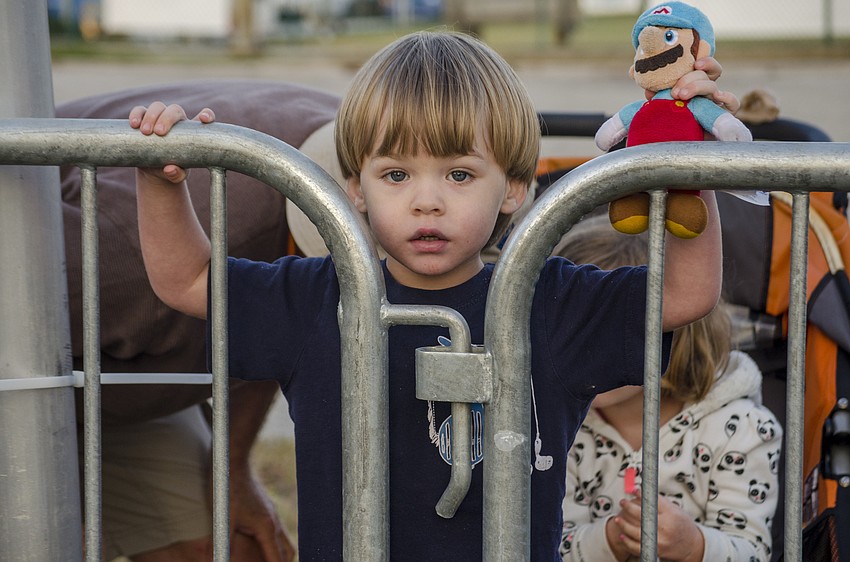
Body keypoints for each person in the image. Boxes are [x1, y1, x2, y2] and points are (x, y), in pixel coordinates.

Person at [128, 31, 725, 561]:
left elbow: (686, 293)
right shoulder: (316, 301)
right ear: (354, 188)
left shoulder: (550, 304)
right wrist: (159, 180)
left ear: (515, 186)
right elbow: (187, 280)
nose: (426, 201)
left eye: (459, 175)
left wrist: (684, 165)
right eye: (396, 175)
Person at [59, 79, 341, 561]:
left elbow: (276, 323)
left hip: (110, 379)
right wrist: (51, 504)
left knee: (229, 546)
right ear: (355, 192)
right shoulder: (122, 253)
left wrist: (229, 467)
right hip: (22, 377)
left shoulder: (386, 134)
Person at [554, 214, 782, 562]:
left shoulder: (742, 430)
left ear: (675, 334)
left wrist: (695, 546)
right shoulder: (554, 424)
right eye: (568, 327)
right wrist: (609, 540)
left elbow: (751, 550)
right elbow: (536, 543)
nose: (584, 346)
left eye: (607, 329)